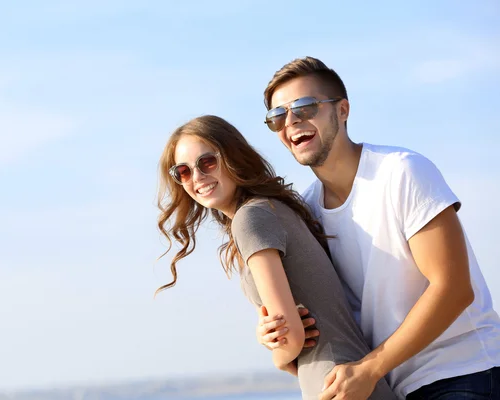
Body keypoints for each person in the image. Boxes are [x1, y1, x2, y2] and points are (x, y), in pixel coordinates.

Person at [256, 56, 500, 399]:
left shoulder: (402, 172)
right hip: (391, 386)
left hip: (463, 373)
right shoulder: (307, 210)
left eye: (306, 107)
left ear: (342, 110)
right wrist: (279, 332)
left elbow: (454, 288)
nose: (291, 121)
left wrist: (370, 368)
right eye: (277, 116)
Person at [155, 115, 397, 399]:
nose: (197, 177)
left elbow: (293, 338)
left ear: (233, 156)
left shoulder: (250, 218)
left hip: (332, 383)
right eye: (183, 171)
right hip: (343, 378)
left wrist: (278, 357)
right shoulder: (275, 208)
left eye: (207, 162)